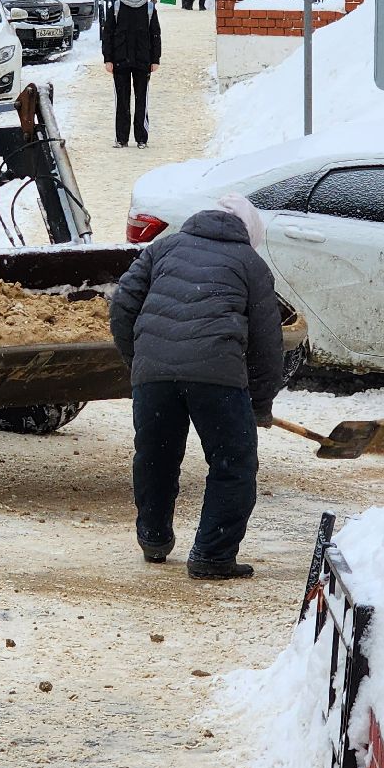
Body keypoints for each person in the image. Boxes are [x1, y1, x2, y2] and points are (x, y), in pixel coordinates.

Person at [109, 193, 284, 581]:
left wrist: (139, 358)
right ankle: (212, 555)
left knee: (155, 455)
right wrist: (259, 401)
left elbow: (122, 304)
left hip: (155, 376)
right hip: (216, 377)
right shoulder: (250, 264)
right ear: (248, 232)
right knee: (233, 464)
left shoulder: (163, 247)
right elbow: (267, 343)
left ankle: (153, 539)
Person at [102, 0, 160, 148]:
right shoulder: (117, 7)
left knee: (141, 100)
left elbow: (155, 35)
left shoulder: (149, 8)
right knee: (122, 101)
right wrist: (108, 59)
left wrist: (155, 59)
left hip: (143, 61)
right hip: (120, 61)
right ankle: (121, 138)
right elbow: (108, 34)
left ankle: (142, 138)